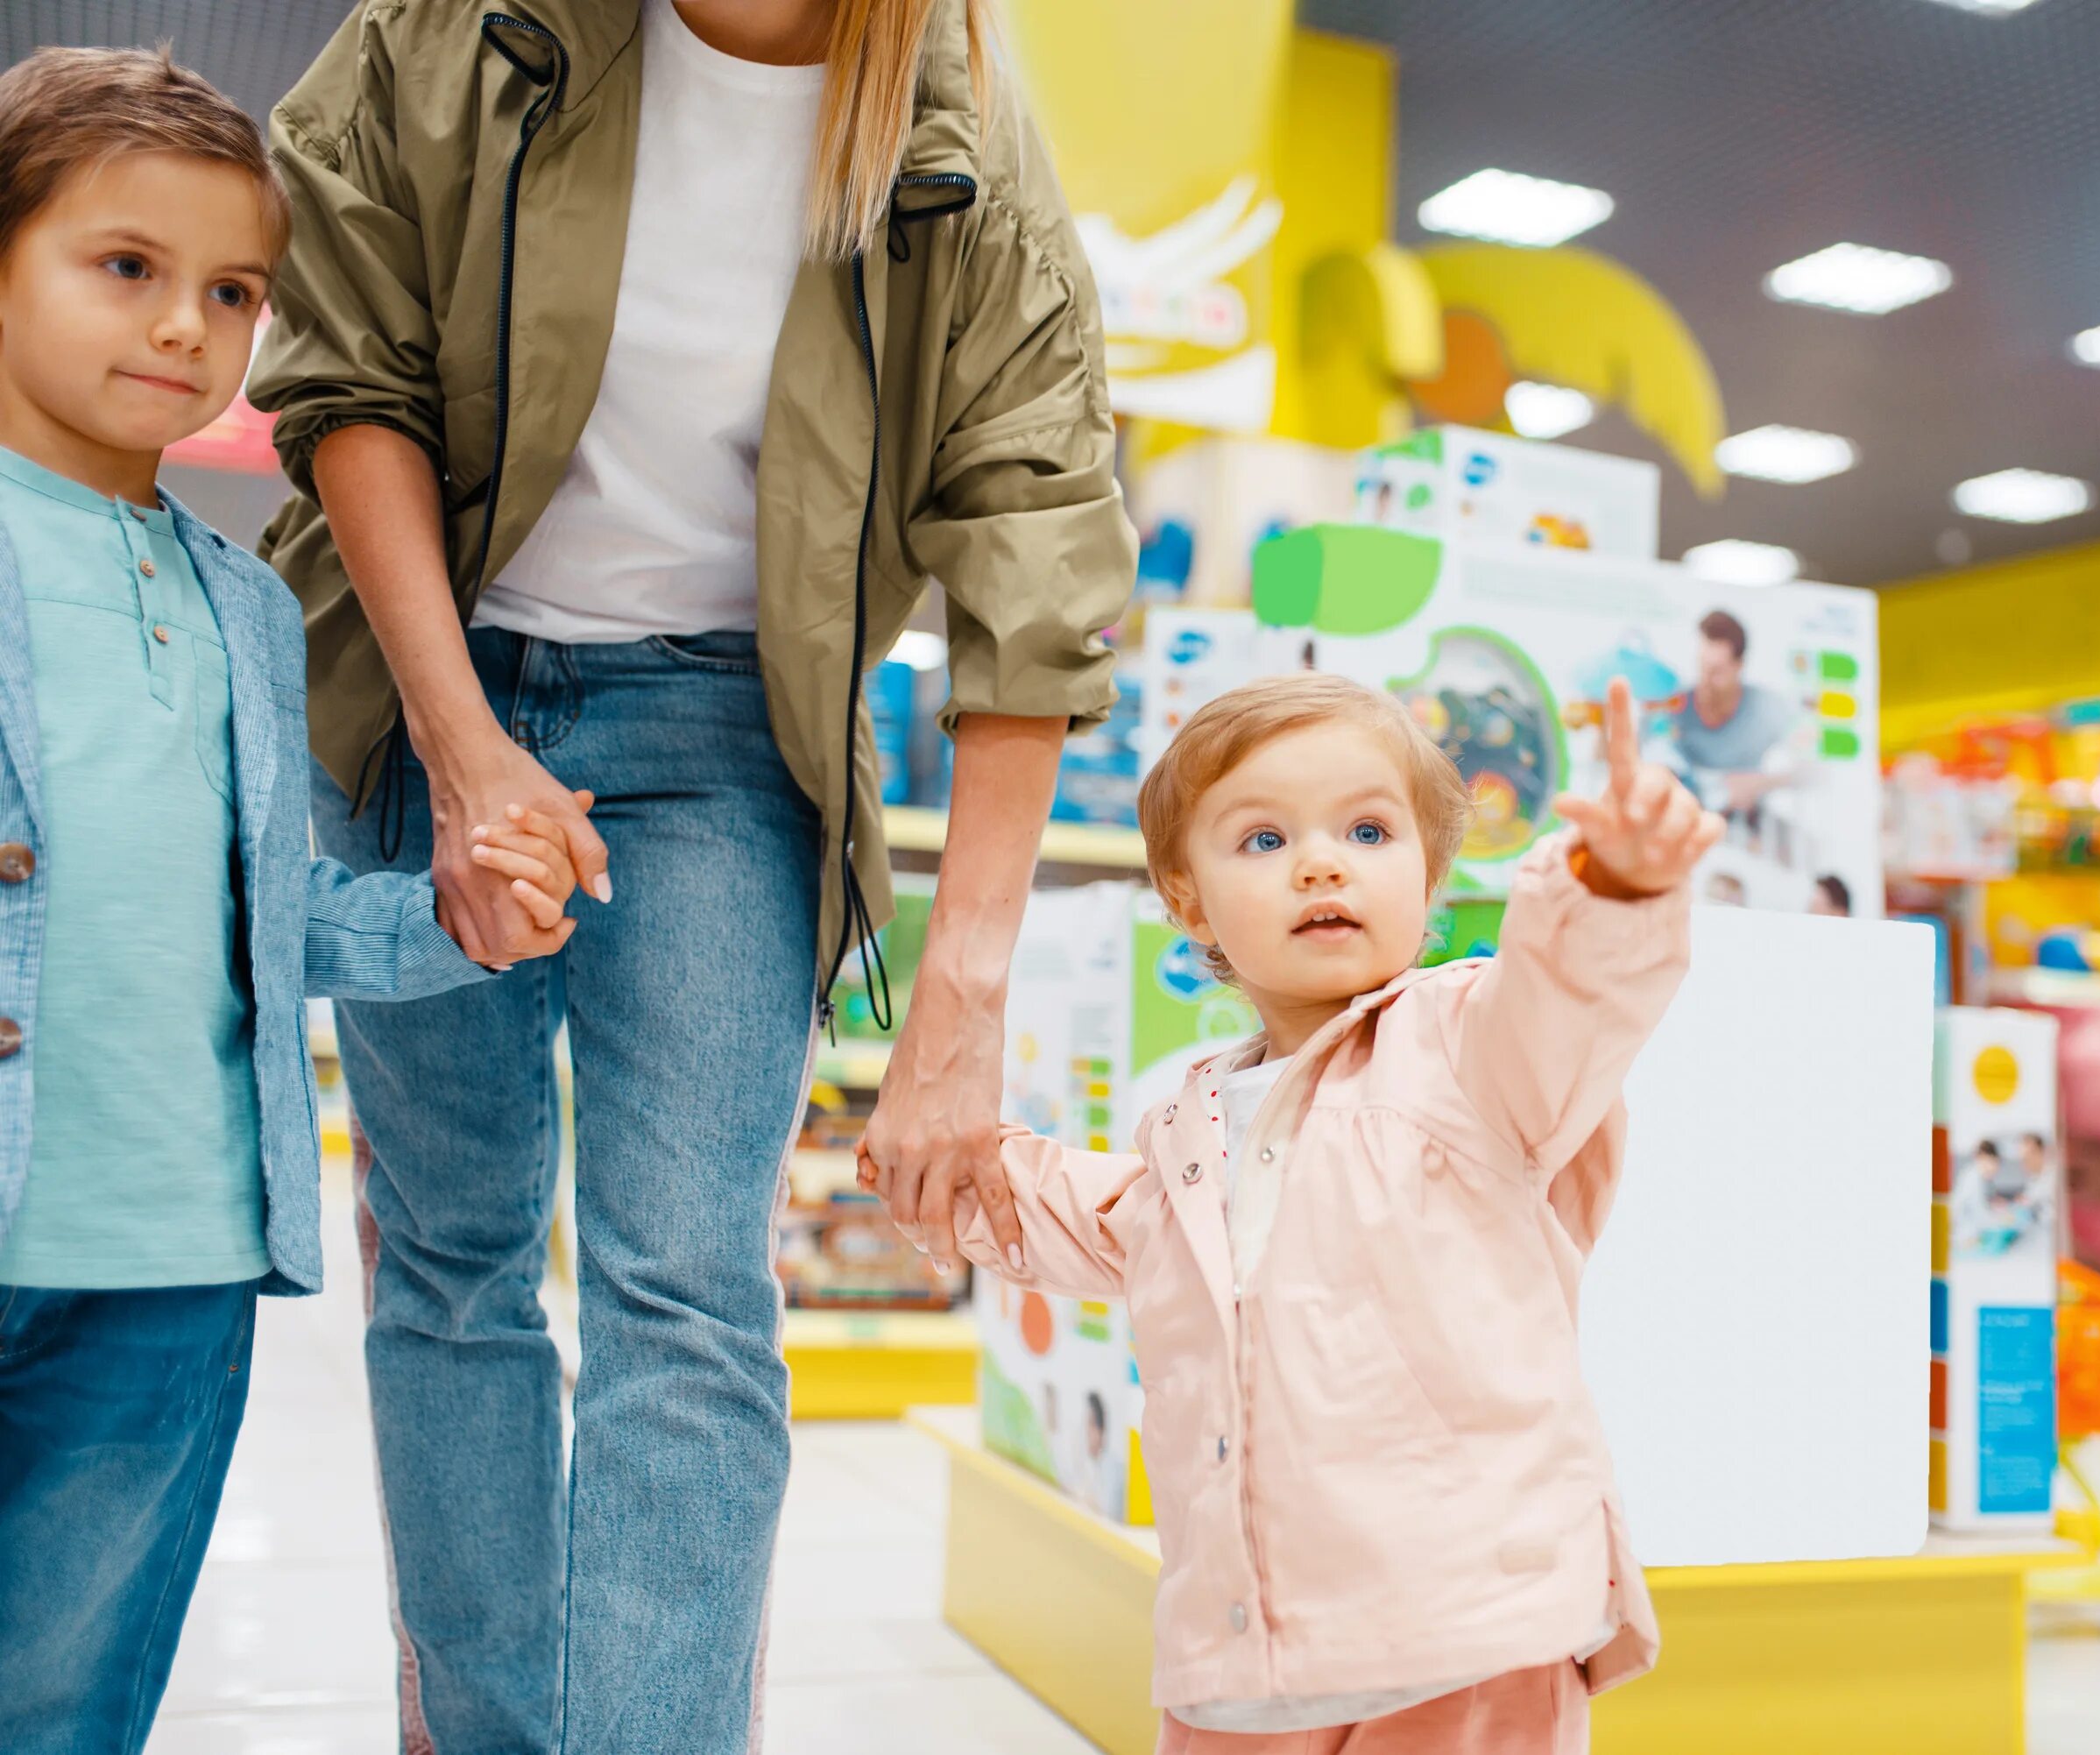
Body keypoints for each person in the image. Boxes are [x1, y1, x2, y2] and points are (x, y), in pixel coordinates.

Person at [247, 0, 1135, 1746]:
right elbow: (351, 368)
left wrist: (960, 997)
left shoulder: (952, 116)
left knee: (691, 1293)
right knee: (453, 1256)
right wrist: (459, 743)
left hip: (732, 727)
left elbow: (1031, 520)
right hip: (438, 672)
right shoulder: (459, 27)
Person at [0, 48, 578, 1755]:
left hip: (174, 1255)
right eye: (127, 266)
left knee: (64, 1695)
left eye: (233, 289)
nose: (186, 323)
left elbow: (287, 914)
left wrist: (463, 919)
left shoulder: (251, 607)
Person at [864, 673, 1723, 1752]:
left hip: (1468, 1637)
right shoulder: (1185, 1124)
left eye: (1368, 828)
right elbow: (1080, 1215)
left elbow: (1579, 993)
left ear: (1430, 869)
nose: (1322, 862)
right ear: (1186, 898)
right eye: (1263, 840)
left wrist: (1618, 888)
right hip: (1245, 1651)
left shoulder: (1474, 1053)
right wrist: (936, 1162)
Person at [1672, 608, 1792, 825]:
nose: (1706, 682)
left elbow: (1814, 765)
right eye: (1703, 668)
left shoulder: (1765, 708)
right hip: (1686, 821)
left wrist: (1761, 783)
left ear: (1739, 667)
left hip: (1747, 824)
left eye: (1717, 672)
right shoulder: (1676, 706)